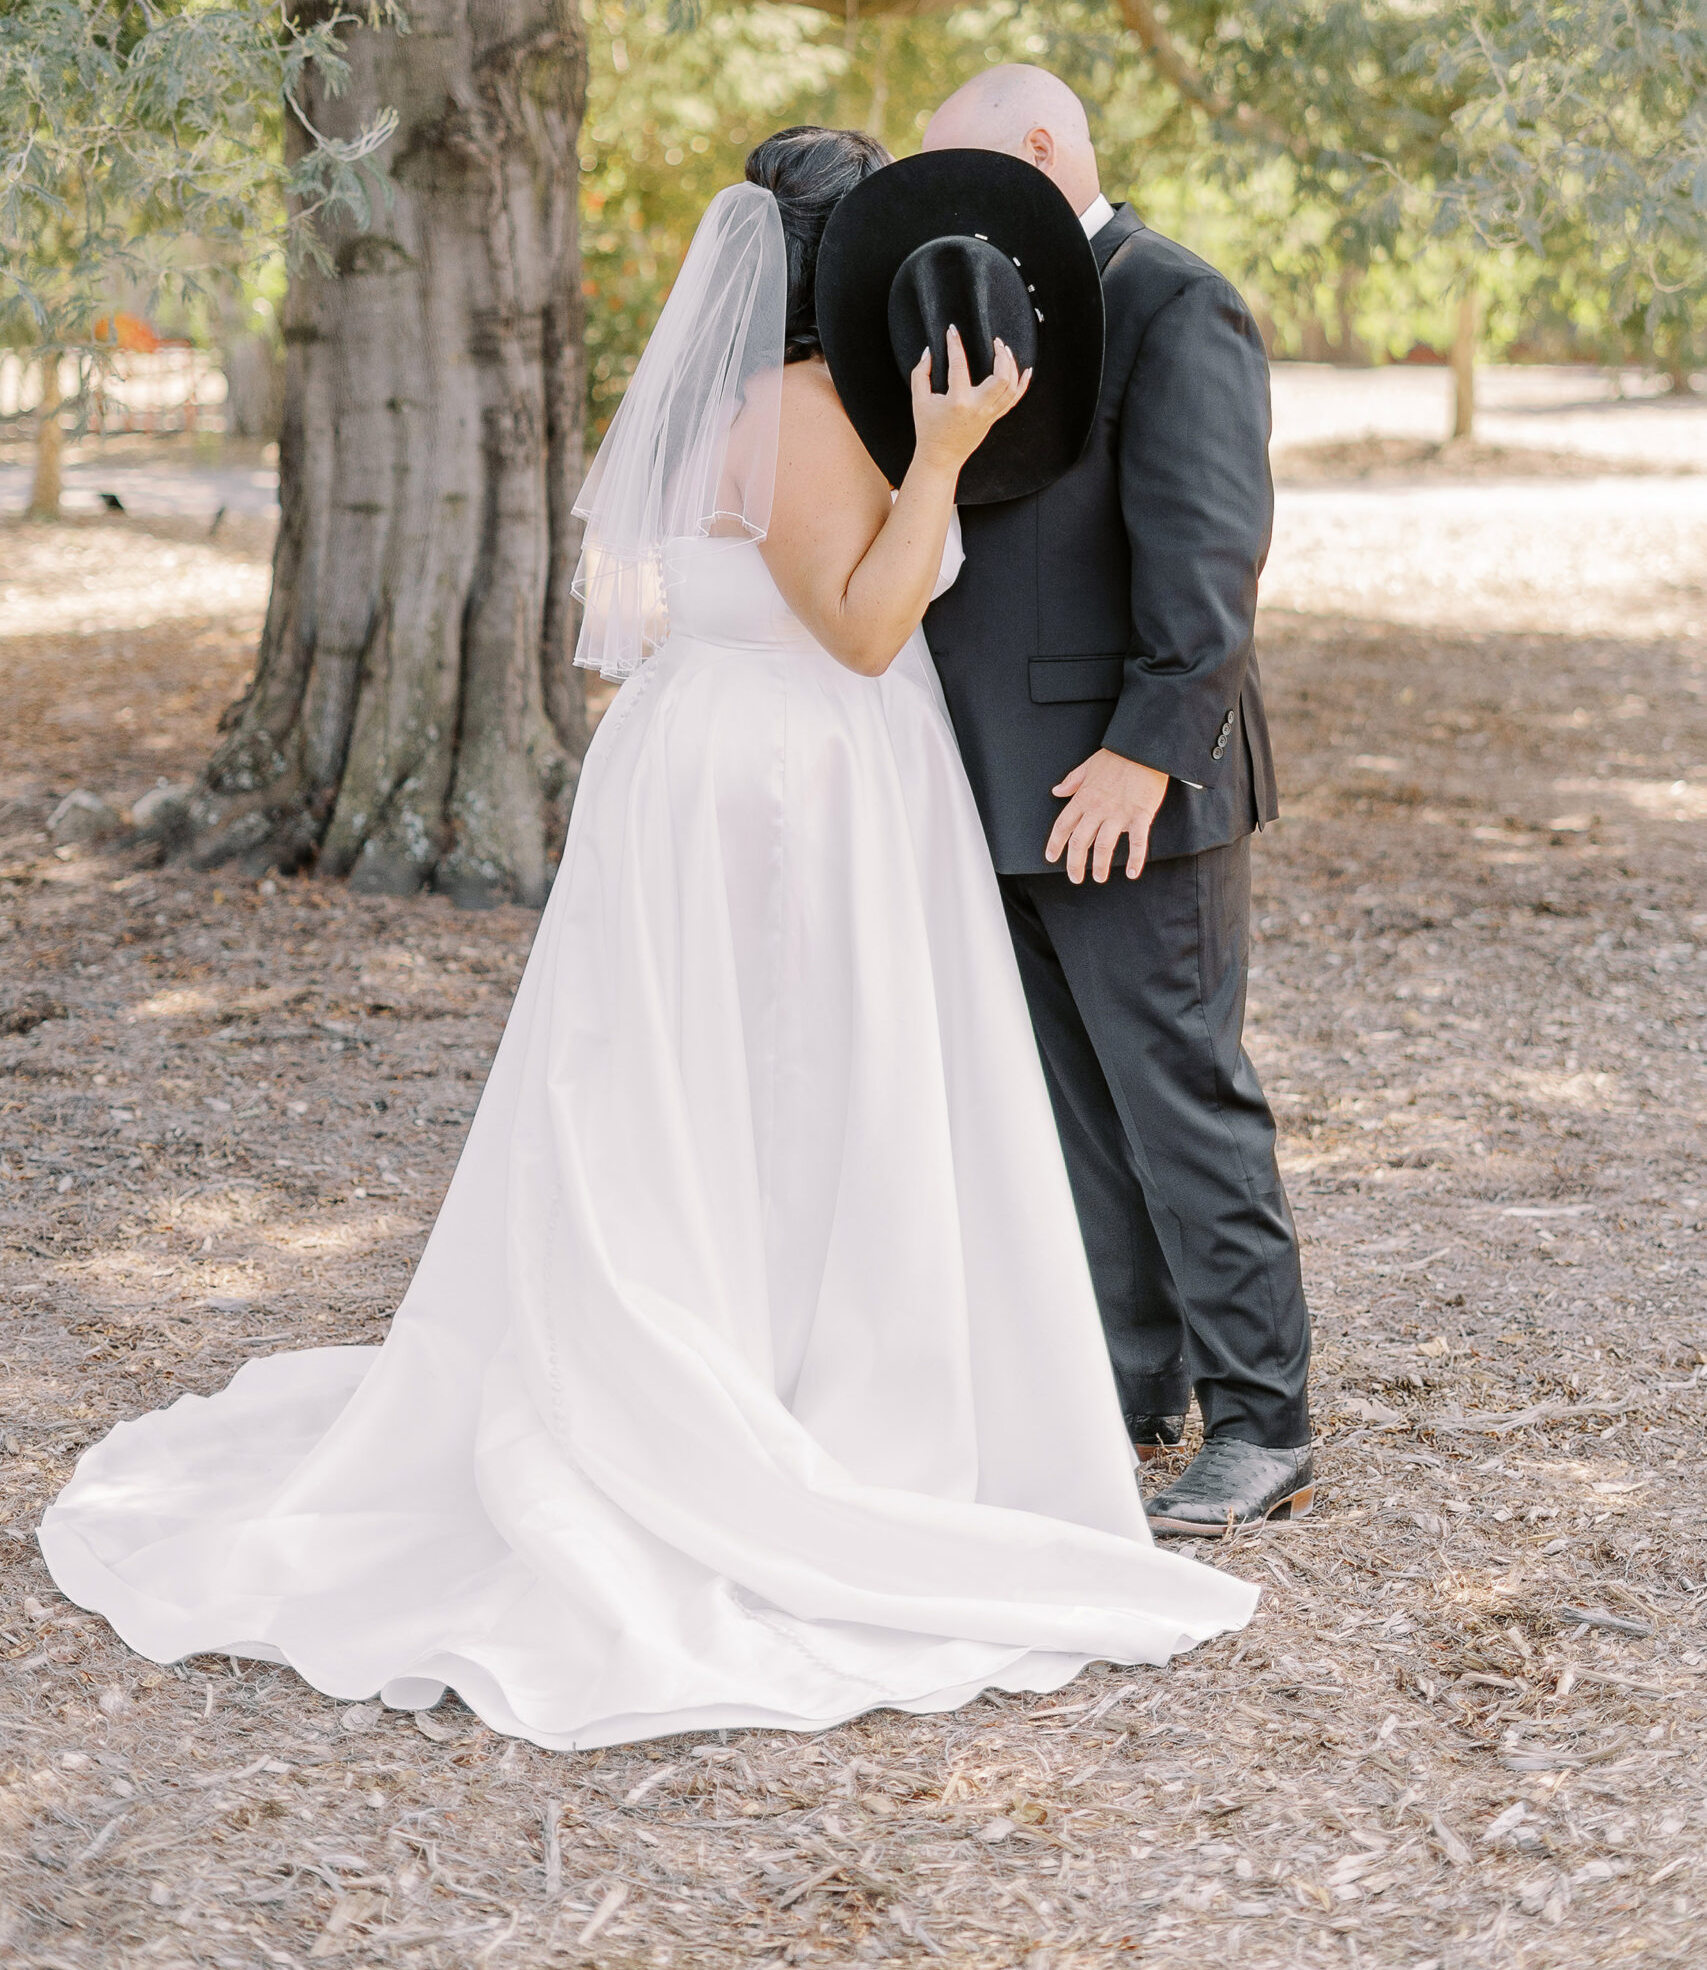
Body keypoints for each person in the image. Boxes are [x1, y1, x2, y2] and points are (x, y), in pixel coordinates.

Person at [39, 125, 1254, 1752]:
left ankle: (778, 1343)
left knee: (717, 1089)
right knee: (788, 1087)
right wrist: (951, 456)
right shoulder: (809, 413)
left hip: (730, 767)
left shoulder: (748, 398)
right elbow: (872, 622)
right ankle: (786, 1390)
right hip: (793, 781)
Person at [920, 68, 1316, 1536]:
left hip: (1128, 784)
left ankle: (1264, 1419)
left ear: (1037, 149)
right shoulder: (988, 305)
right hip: (1001, 782)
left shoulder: (1170, 299)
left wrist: (1149, 751)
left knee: (1182, 1098)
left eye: (959, 170)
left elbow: (1212, 555)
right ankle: (1134, 1380)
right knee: (1079, 1112)